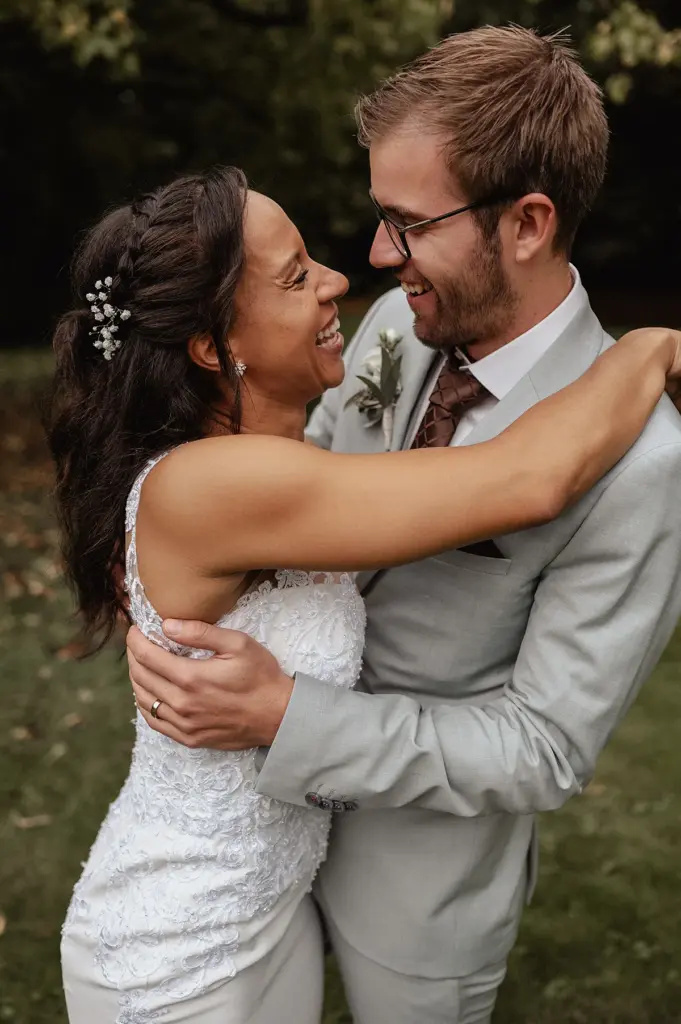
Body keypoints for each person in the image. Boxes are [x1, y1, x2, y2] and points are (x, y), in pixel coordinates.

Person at [127, 26, 681, 1024]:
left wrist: (288, 718)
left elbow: (543, 746)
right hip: (250, 840)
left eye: (408, 223)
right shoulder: (395, 324)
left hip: (420, 893)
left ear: (528, 223)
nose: (380, 256)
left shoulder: (645, 462)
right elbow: (304, 491)